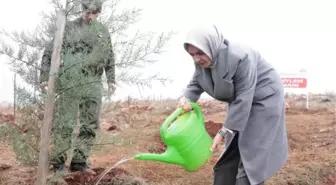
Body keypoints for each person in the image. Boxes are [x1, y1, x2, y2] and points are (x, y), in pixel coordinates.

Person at [178, 25, 288, 185]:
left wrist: (223, 132)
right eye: (192, 54)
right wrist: (186, 98)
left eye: (200, 53)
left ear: (211, 45)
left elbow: (244, 96)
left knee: (252, 152)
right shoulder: (204, 61)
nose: (196, 58)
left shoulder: (240, 56)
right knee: (232, 149)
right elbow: (196, 83)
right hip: (240, 103)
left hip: (263, 100)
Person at [39, 0, 116, 175]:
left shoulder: (102, 31)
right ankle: (58, 164)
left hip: (93, 83)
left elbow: (109, 55)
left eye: (93, 13)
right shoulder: (69, 27)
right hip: (70, 81)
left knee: (90, 124)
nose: (89, 16)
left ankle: (79, 162)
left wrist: (111, 79)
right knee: (65, 124)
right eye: (86, 12)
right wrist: (44, 78)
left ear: (99, 13)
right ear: (82, 10)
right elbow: (49, 51)